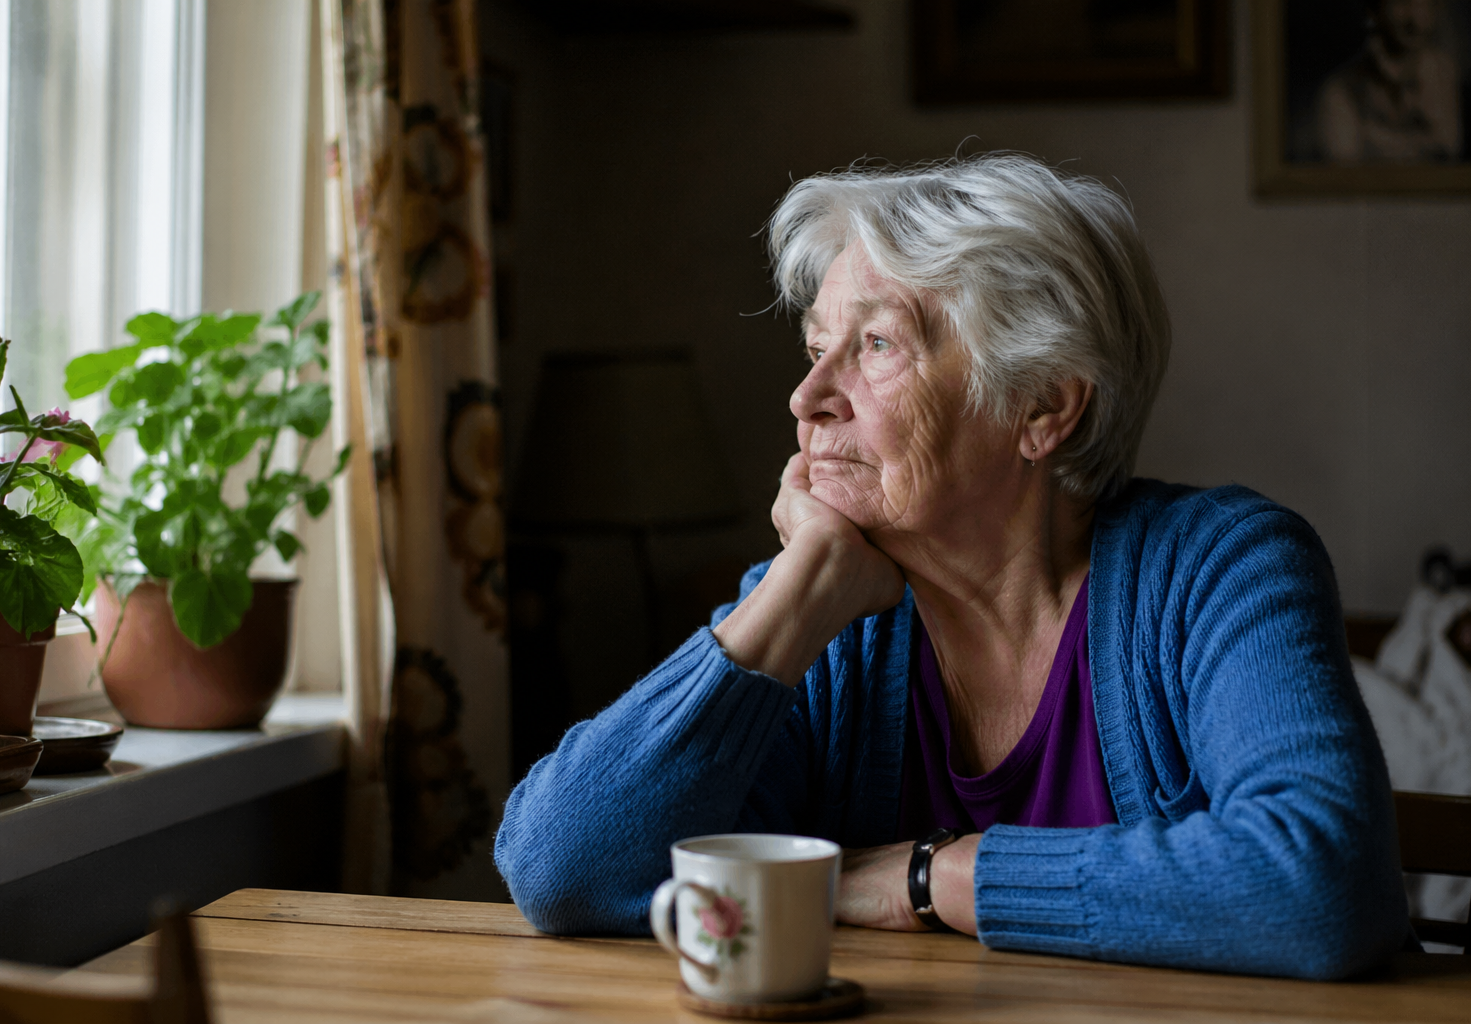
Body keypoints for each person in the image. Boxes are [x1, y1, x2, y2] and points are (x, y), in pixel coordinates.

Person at [494, 154, 1410, 979]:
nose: (807, 397)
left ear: (1043, 406)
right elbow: (559, 873)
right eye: (818, 348)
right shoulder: (826, 619)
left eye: (877, 345)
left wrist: (937, 876)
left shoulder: (1221, 569)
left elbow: (1321, 885)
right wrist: (794, 597)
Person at [1319, 0, 1462, 163]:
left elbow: (1449, 150)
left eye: (1423, 3)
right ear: (1375, 11)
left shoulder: (1445, 76)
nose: (1414, 19)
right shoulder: (1341, 91)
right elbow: (1343, 170)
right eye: (1402, 3)